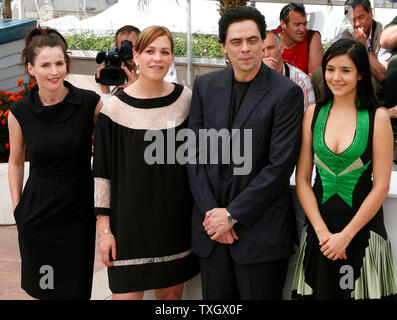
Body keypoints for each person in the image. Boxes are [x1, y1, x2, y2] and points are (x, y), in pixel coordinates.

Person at [187, 6, 304, 300]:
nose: (245, 49)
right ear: (224, 46)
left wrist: (232, 215)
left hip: (260, 233)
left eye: (252, 40)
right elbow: (195, 156)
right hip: (211, 232)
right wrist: (214, 216)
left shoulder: (286, 92)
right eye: (236, 42)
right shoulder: (204, 86)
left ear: (263, 41)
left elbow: (279, 166)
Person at [93, 25, 199, 300]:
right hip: (127, 229)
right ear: (136, 56)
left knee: (171, 300)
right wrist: (104, 231)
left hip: (174, 225)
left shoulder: (186, 99)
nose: (158, 58)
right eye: (150, 51)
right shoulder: (114, 109)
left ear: (172, 58)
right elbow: (102, 174)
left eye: (165, 52)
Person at [291, 38, 397, 299]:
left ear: (361, 74)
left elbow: (381, 185)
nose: (336, 77)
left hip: (362, 233)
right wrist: (323, 233)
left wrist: (345, 236)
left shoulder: (378, 117)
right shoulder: (312, 114)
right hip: (320, 233)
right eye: (330, 69)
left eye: (345, 70)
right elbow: (303, 180)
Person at [8, 26, 103, 299]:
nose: (54, 71)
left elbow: (116, 142)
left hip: (78, 217)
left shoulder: (89, 104)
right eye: (45, 64)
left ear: (67, 63)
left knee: (75, 290)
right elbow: (15, 162)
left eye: (60, 63)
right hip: (38, 218)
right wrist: (18, 209)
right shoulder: (20, 112)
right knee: (46, 290)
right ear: (30, 68)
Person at [96, 25, 178, 104]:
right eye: (123, 49)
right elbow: (107, 113)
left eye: (133, 46)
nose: (129, 52)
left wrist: (138, 89)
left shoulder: (156, 64)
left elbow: (168, 101)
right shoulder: (117, 66)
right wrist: (106, 91)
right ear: (117, 50)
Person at [262, 30, 315, 110]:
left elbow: (310, 117)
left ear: (282, 48)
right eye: (261, 50)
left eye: (270, 48)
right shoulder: (251, 79)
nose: (266, 54)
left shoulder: (301, 80)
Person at [272, 2, 324, 76]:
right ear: (283, 24)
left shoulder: (312, 37)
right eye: (297, 24)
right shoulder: (271, 37)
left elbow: (314, 78)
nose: (302, 29)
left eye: (305, 24)